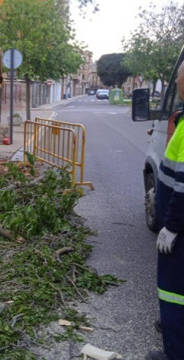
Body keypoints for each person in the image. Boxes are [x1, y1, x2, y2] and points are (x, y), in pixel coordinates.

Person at [146, 60, 184, 360]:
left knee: (173, 293)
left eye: (181, 75)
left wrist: (171, 225)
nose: (179, 81)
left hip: (181, 230)